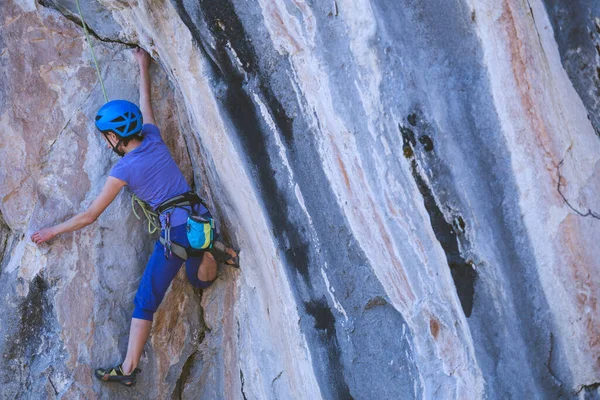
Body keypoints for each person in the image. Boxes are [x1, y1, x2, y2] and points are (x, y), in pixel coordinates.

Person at [31, 48, 238, 387]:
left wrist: (52, 231)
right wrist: (143, 65)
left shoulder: (123, 169)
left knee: (145, 301)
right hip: (198, 214)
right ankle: (210, 247)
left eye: (106, 137)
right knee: (198, 276)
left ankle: (127, 369)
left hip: (176, 231)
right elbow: (146, 106)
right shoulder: (154, 138)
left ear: (114, 137)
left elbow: (89, 215)